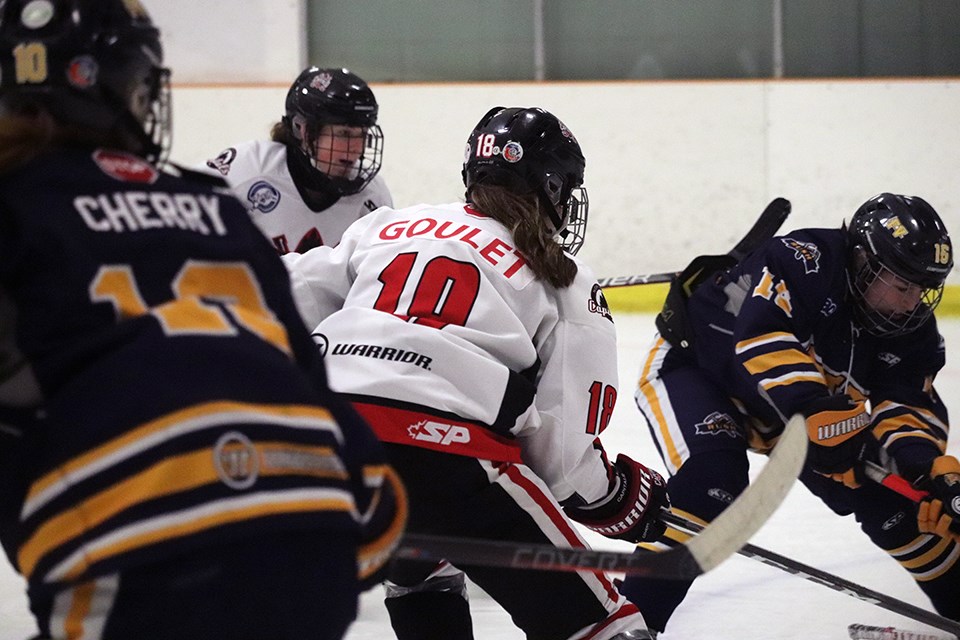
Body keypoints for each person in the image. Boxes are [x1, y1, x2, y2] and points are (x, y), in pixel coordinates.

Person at [0, 1, 405, 639]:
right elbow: (318, 390)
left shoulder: (20, 202)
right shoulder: (216, 196)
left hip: (134, 537)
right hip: (316, 518)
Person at [282, 106, 672, 640]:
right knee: (603, 626)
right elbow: (559, 460)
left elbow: (278, 293)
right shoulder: (567, 281)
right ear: (553, 186)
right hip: (447, 458)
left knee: (420, 564)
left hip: (326, 449)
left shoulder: (387, 226)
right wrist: (618, 496)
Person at [621, 193, 957, 635]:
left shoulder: (911, 328)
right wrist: (814, 414)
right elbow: (763, 338)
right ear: (864, 262)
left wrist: (921, 467)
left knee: (909, 503)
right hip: (699, 371)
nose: (913, 303)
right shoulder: (805, 261)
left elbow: (907, 403)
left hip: (791, 412)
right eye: (902, 285)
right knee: (711, 487)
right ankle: (626, 623)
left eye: (922, 289)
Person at [205, 65, 393, 254]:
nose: (357, 148)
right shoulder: (248, 168)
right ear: (302, 130)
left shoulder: (372, 198)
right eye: (344, 134)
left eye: (362, 135)